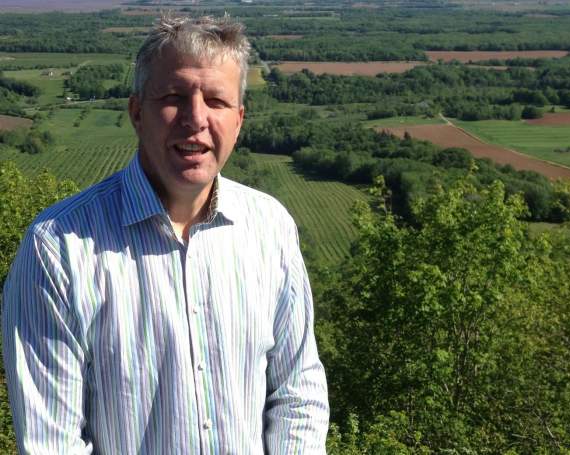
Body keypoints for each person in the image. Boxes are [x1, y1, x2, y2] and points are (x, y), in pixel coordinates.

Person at [2, 15, 329, 454]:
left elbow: (297, 392)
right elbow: (51, 444)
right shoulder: (57, 248)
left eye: (216, 100)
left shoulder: (270, 227)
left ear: (238, 120)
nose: (196, 118)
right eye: (174, 97)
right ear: (137, 113)